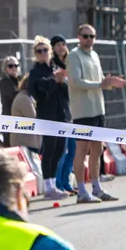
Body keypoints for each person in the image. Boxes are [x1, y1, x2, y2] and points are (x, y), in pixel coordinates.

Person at [66, 24, 126, 204]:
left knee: (97, 150)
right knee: (81, 150)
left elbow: (100, 82)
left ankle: (96, 187)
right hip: (82, 111)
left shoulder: (95, 55)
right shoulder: (74, 56)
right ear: (79, 37)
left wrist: (111, 83)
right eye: (85, 36)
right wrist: (101, 84)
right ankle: (82, 191)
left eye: (92, 36)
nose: (89, 39)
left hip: (98, 109)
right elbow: (76, 82)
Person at [26, 38, 70, 200]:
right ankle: (48, 187)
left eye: (45, 50)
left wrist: (61, 82)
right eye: (39, 51)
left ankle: (53, 184)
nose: (43, 53)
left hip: (61, 115)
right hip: (47, 116)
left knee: (60, 150)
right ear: (35, 55)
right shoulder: (35, 72)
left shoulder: (56, 68)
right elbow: (38, 92)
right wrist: (54, 81)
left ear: (50, 52)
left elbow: (67, 92)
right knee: (49, 149)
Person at [50, 36, 77, 194]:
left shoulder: (71, 63)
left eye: (62, 44)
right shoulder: (54, 66)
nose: (61, 47)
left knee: (72, 151)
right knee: (63, 150)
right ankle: (58, 183)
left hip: (72, 112)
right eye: (57, 45)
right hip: (60, 114)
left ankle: (66, 182)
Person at [9, 76, 41, 155]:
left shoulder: (27, 97)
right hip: (25, 142)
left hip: (29, 141)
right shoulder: (24, 99)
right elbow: (34, 117)